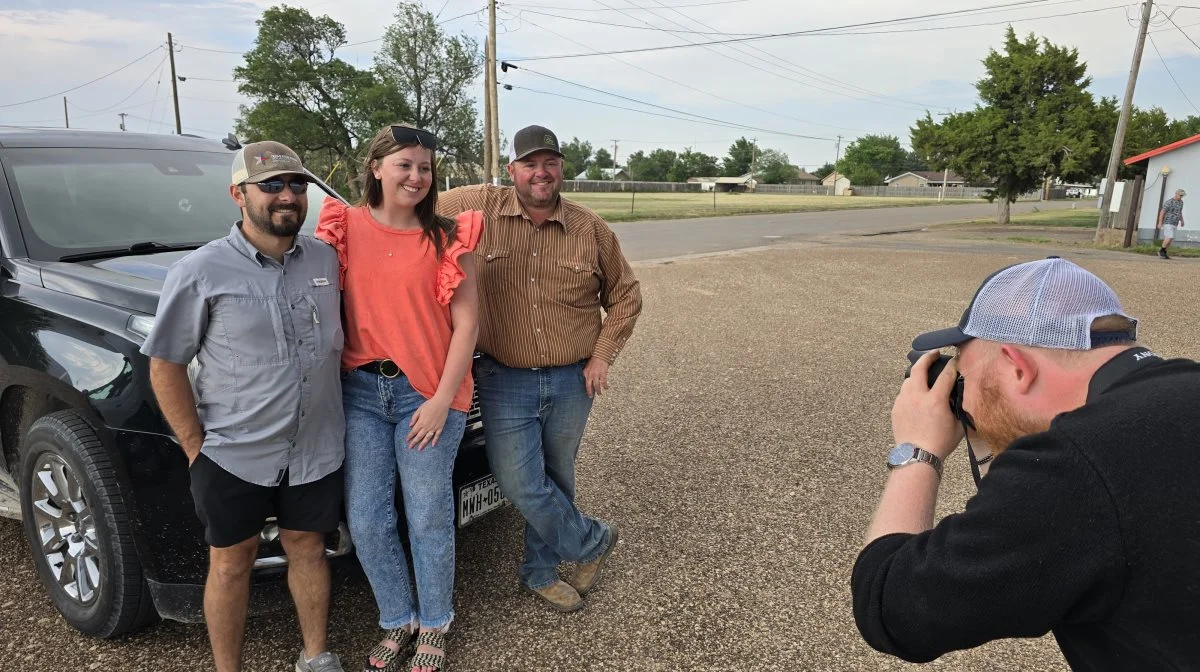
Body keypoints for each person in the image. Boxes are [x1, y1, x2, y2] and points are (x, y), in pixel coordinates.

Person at [850, 256, 1200, 669]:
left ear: (1018, 368)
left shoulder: (1076, 466)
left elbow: (890, 607)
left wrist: (917, 449)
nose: (962, 393)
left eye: (965, 373)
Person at [142, 141, 346, 672]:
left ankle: (316, 655)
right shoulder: (200, 271)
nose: (287, 196)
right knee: (232, 564)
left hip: (315, 447)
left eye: (297, 185)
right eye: (272, 185)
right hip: (233, 453)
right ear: (239, 194)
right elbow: (164, 364)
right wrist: (195, 448)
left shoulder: (326, 260)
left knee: (307, 548)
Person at [436, 124, 642, 612]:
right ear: (512, 170)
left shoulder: (590, 228)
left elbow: (628, 295)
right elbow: (409, 203)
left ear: (562, 168)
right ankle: (593, 541)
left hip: (573, 379)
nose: (541, 173)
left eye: (550, 162)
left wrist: (602, 355)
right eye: (530, 163)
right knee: (518, 482)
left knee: (557, 476)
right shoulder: (474, 206)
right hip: (504, 376)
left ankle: (539, 570)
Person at [314, 123, 481, 672]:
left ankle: (434, 622)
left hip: (425, 394)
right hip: (360, 390)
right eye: (405, 164)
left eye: (424, 168)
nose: (416, 176)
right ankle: (397, 616)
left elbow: (467, 325)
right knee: (365, 519)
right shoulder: (342, 228)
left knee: (428, 514)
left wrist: (440, 399)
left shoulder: (449, 236)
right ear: (377, 167)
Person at [1157, 188, 1185, 259]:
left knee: (1170, 238)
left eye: (1182, 196)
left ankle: (1164, 253)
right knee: (1169, 237)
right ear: (1176, 194)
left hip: (1175, 223)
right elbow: (1162, 212)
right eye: (1180, 195)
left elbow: (1179, 212)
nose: (1181, 197)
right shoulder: (1169, 202)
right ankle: (1161, 251)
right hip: (1168, 222)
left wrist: (1182, 220)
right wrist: (1160, 223)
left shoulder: (1181, 202)